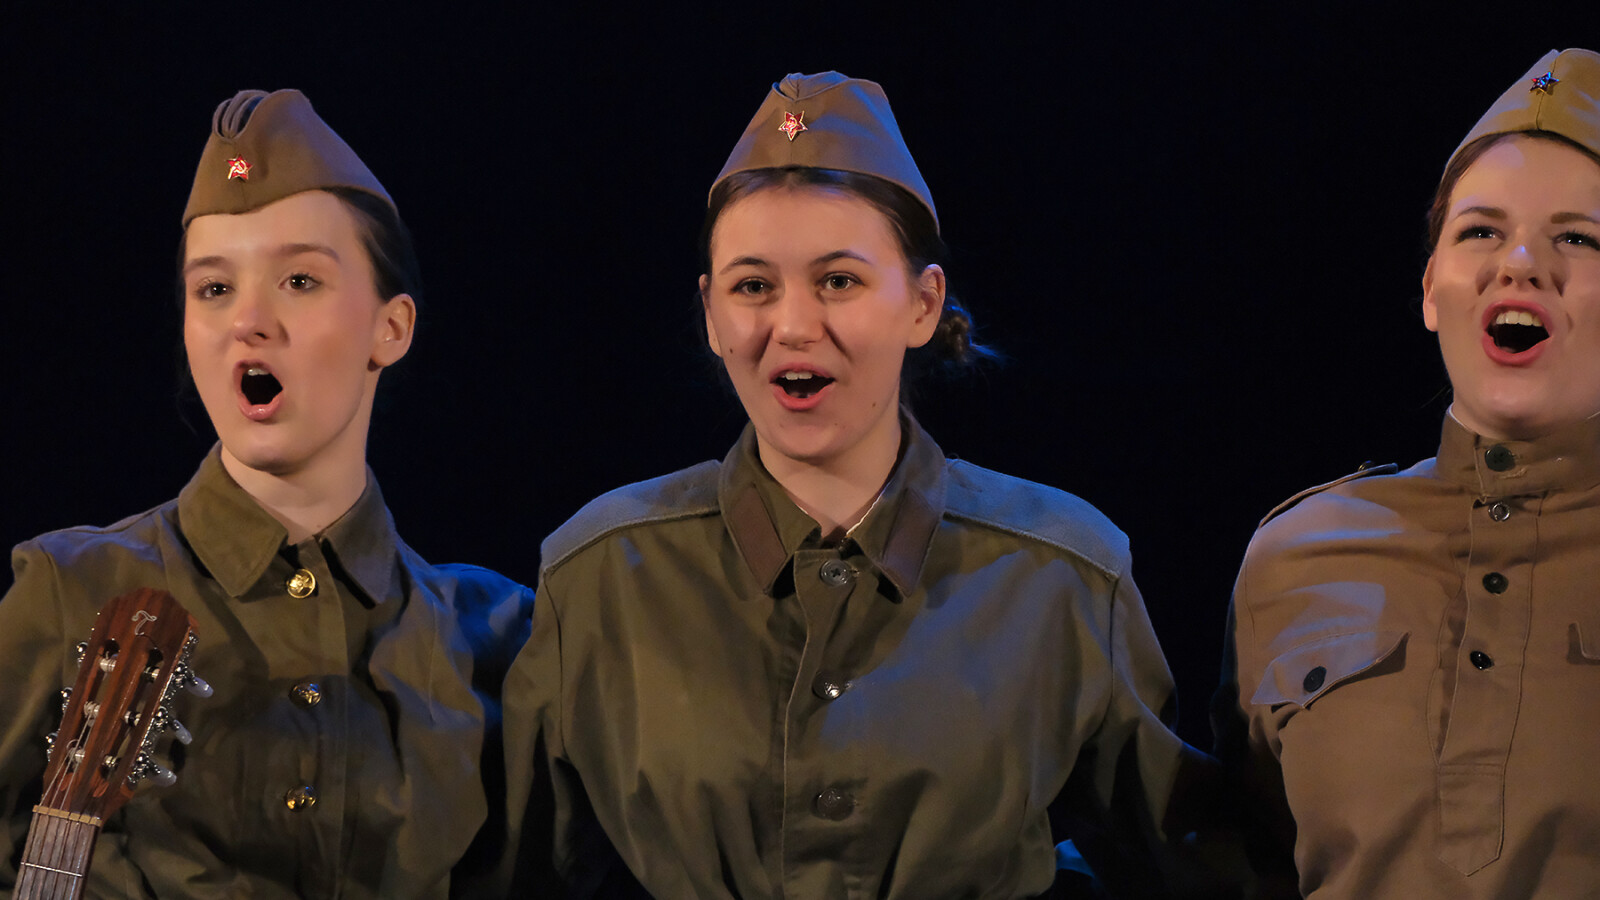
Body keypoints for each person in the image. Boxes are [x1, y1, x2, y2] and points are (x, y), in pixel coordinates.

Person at [505, 72, 1220, 898]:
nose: (793, 326)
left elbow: (1185, 866)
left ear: (923, 304)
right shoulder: (600, 572)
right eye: (752, 286)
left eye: (838, 281)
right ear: (710, 314)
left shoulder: (1063, 574)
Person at [0, 89, 533, 899]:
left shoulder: (493, 639)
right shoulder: (70, 592)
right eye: (214, 289)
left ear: (391, 328)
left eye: (299, 280)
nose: (248, 320)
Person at [1215, 48, 1600, 898]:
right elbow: (1244, 858)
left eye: (1578, 237)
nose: (1521, 262)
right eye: (1481, 231)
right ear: (1431, 289)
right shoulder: (1294, 556)